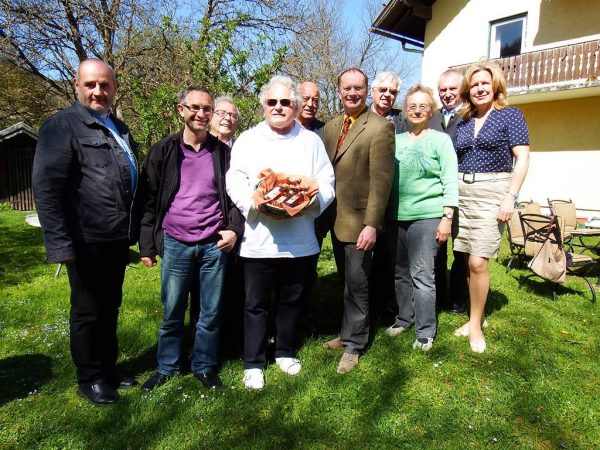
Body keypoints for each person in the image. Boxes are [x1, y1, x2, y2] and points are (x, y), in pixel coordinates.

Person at [32, 59, 139, 406]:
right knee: (88, 311)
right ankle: (89, 378)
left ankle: (108, 368)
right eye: (91, 84)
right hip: (85, 239)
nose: (98, 91)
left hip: (115, 237)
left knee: (110, 307)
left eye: (105, 85)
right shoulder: (62, 126)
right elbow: (46, 189)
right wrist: (60, 244)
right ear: (77, 85)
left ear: (114, 88)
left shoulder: (118, 128)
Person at [226, 75, 335, 390]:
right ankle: (254, 361)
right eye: (272, 102)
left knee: (291, 299)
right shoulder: (248, 139)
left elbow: (326, 181)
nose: (278, 107)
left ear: (296, 107)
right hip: (259, 237)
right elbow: (234, 178)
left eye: (285, 102)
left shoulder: (310, 141)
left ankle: (284, 351)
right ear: (263, 106)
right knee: (255, 302)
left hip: (299, 238)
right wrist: (253, 202)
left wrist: (311, 199)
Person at [138, 86, 244, 391]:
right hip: (175, 242)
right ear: (181, 110)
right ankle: (167, 367)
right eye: (195, 108)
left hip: (214, 244)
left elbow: (236, 198)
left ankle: (204, 366)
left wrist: (233, 229)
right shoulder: (164, 151)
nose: (201, 114)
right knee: (172, 312)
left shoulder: (223, 153)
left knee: (209, 313)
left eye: (207, 109)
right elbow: (148, 199)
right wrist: (147, 244)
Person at [320, 67, 395, 374]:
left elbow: (382, 181)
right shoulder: (331, 126)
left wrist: (371, 224)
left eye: (358, 88)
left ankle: (355, 346)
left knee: (359, 283)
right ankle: (347, 332)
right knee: (347, 282)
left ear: (366, 90)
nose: (352, 93)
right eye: (346, 88)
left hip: (360, 221)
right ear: (338, 91)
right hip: (336, 219)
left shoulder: (379, 127)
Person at [452, 61, 530, 353]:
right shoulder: (463, 121)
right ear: (468, 90)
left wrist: (511, 196)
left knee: (478, 261)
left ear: (495, 85)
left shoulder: (510, 116)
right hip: (462, 191)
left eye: (485, 83)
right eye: (474, 85)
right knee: (466, 258)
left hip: (493, 191)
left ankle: (474, 326)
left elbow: (522, 158)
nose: (480, 89)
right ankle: (476, 317)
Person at [385, 84, 458, 351]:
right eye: (412, 106)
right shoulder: (396, 140)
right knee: (400, 274)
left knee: (422, 274)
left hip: (426, 217)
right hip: (395, 217)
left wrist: (447, 217)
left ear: (431, 111)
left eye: (423, 106)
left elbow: (450, 179)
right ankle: (405, 318)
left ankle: (425, 330)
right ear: (405, 110)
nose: (417, 110)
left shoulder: (441, 140)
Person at [430, 69, 469, 314]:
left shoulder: (470, 116)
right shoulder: (433, 117)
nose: (447, 94)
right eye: (442, 89)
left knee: (461, 247)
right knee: (437, 248)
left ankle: (457, 298)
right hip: (436, 193)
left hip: (462, 192)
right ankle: (437, 297)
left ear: (461, 90)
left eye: (452, 89)